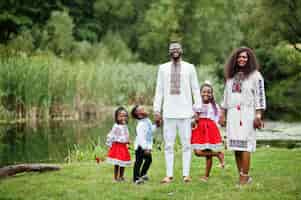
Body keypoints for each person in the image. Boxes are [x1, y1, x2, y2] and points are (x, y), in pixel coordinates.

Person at [153, 41, 202, 183]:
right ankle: (169, 175)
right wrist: (157, 110)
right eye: (172, 49)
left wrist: (197, 109)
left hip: (186, 112)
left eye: (177, 48)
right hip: (168, 112)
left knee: (187, 144)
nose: (175, 50)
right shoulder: (163, 68)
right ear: (169, 52)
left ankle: (186, 175)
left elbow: (195, 89)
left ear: (182, 51)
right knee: (168, 145)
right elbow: (159, 90)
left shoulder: (190, 68)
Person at [219, 47, 266, 186]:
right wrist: (222, 114)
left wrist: (258, 115)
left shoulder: (255, 75)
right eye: (239, 57)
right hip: (233, 114)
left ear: (249, 59)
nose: (242, 59)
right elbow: (226, 97)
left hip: (247, 114)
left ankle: (244, 177)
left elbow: (260, 96)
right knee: (236, 145)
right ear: (235, 59)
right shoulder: (231, 76)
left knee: (245, 145)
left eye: (245, 57)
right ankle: (242, 175)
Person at [191, 82, 225, 182]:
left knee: (208, 153)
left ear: (212, 94)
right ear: (200, 93)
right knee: (197, 152)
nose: (206, 94)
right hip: (199, 130)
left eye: (209, 92)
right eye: (204, 92)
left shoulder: (214, 106)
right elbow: (191, 118)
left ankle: (206, 176)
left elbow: (217, 120)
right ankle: (218, 154)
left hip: (209, 130)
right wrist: (194, 119)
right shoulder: (196, 105)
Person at [131, 105, 160, 184]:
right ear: (139, 115)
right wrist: (145, 148)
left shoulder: (147, 120)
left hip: (146, 145)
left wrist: (156, 126)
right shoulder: (141, 124)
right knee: (138, 162)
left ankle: (143, 174)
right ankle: (136, 178)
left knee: (148, 160)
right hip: (141, 146)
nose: (145, 109)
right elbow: (141, 137)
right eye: (142, 109)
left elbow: (150, 131)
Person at [106, 106, 131, 182]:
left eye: (125, 116)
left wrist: (128, 141)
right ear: (116, 117)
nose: (123, 118)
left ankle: (121, 177)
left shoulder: (125, 126)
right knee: (117, 163)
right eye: (121, 116)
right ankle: (115, 178)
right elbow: (111, 135)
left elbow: (126, 135)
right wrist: (109, 144)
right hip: (117, 146)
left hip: (123, 147)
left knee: (123, 163)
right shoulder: (116, 126)